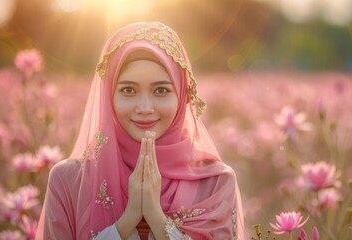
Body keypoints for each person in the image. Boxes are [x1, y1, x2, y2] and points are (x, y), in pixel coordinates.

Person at [35, 22, 245, 239]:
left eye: (161, 90)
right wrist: (128, 220)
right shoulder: (69, 181)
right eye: (128, 90)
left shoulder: (215, 182)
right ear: (109, 95)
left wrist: (155, 216)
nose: (145, 108)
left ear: (183, 95)